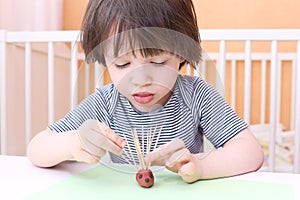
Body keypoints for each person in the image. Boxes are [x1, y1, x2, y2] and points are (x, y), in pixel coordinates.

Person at [27, 0, 264, 183]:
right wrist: (72, 142)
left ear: (181, 53)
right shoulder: (105, 102)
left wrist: (201, 167)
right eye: (122, 64)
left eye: (158, 62)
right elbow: (37, 148)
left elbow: (250, 150)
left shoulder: (197, 96)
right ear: (104, 59)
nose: (140, 80)